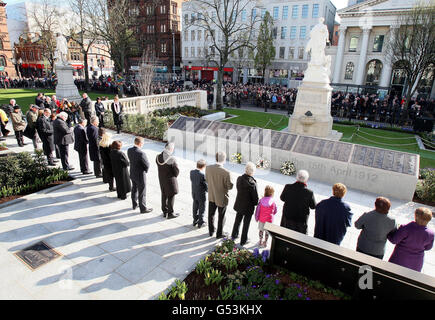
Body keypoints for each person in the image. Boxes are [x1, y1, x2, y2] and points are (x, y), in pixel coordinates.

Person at [388, 207, 434, 272]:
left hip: (399, 260)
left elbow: (394, 240)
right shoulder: (431, 234)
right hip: (416, 264)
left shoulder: (406, 228)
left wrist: (388, 234)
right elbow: (428, 247)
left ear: (416, 216)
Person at [206, 151, 234, 239]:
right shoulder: (226, 172)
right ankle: (219, 234)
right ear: (224, 159)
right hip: (222, 197)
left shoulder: (208, 168)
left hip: (211, 195)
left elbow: (207, 180)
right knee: (221, 216)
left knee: (211, 214)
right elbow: (230, 187)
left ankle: (211, 231)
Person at [230, 162, 259, 246]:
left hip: (239, 203)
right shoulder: (253, 183)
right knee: (246, 224)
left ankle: (234, 235)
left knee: (237, 220)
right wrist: (256, 202)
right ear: (252, 172)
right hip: (248, 207)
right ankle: (243, 240)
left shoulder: (239, 178)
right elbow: (255, 199)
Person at [280, 170, 316, 234]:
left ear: (297, 177)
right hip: (300, 224)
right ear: (306, 180)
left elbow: (282, 198)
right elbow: (313, 206)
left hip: (287, 220)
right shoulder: (309, 193)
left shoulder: (288, 187)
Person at [127, 137, 152, 214]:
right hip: (140, 175)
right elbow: (147, 164)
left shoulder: (129, 150)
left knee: (134, 189)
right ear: (140, 143)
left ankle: (134, 204)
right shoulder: (141, 153)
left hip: (132, 173)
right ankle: (143, 208)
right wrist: (146, 170)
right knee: (142, 191)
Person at [156, 142, 179, 219]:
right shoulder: (171, 159)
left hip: (162, 179)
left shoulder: (158, 156)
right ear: (171, 149)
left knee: (164, 194)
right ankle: (170, 213)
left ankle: (164, 211)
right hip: (170, 181)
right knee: (171, 196)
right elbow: (176, 171)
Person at [190, 159, 208, 228]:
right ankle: (201, 222)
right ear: (203, 167)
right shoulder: (202, 175)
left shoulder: (191, 172)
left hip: (194, 192)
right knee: (202, 208)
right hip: (201, 194)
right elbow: (205, 185)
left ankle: (195, 220)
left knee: (195, 206)